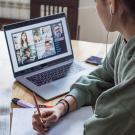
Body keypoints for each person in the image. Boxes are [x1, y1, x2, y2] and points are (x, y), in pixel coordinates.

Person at [32, 0, 135, 134]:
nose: (96, 7)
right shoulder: (125, 38)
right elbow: (102, 77)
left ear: (112, 4)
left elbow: (99, 130)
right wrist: (62, 106)